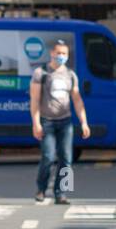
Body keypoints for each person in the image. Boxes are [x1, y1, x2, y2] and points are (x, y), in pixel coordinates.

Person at [30, 39, 90, 205]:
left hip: (65, 122)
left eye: (65, 54)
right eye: (59, 53)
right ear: (52, 53)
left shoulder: (70, 75)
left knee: (67, 159)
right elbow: (34, 100)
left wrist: (84, 122)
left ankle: (62, 193)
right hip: (46, 121)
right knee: (48, 157)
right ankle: (41, 189)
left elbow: (77, 100)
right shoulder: (41, 73)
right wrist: (36, 123)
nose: (61, 56)